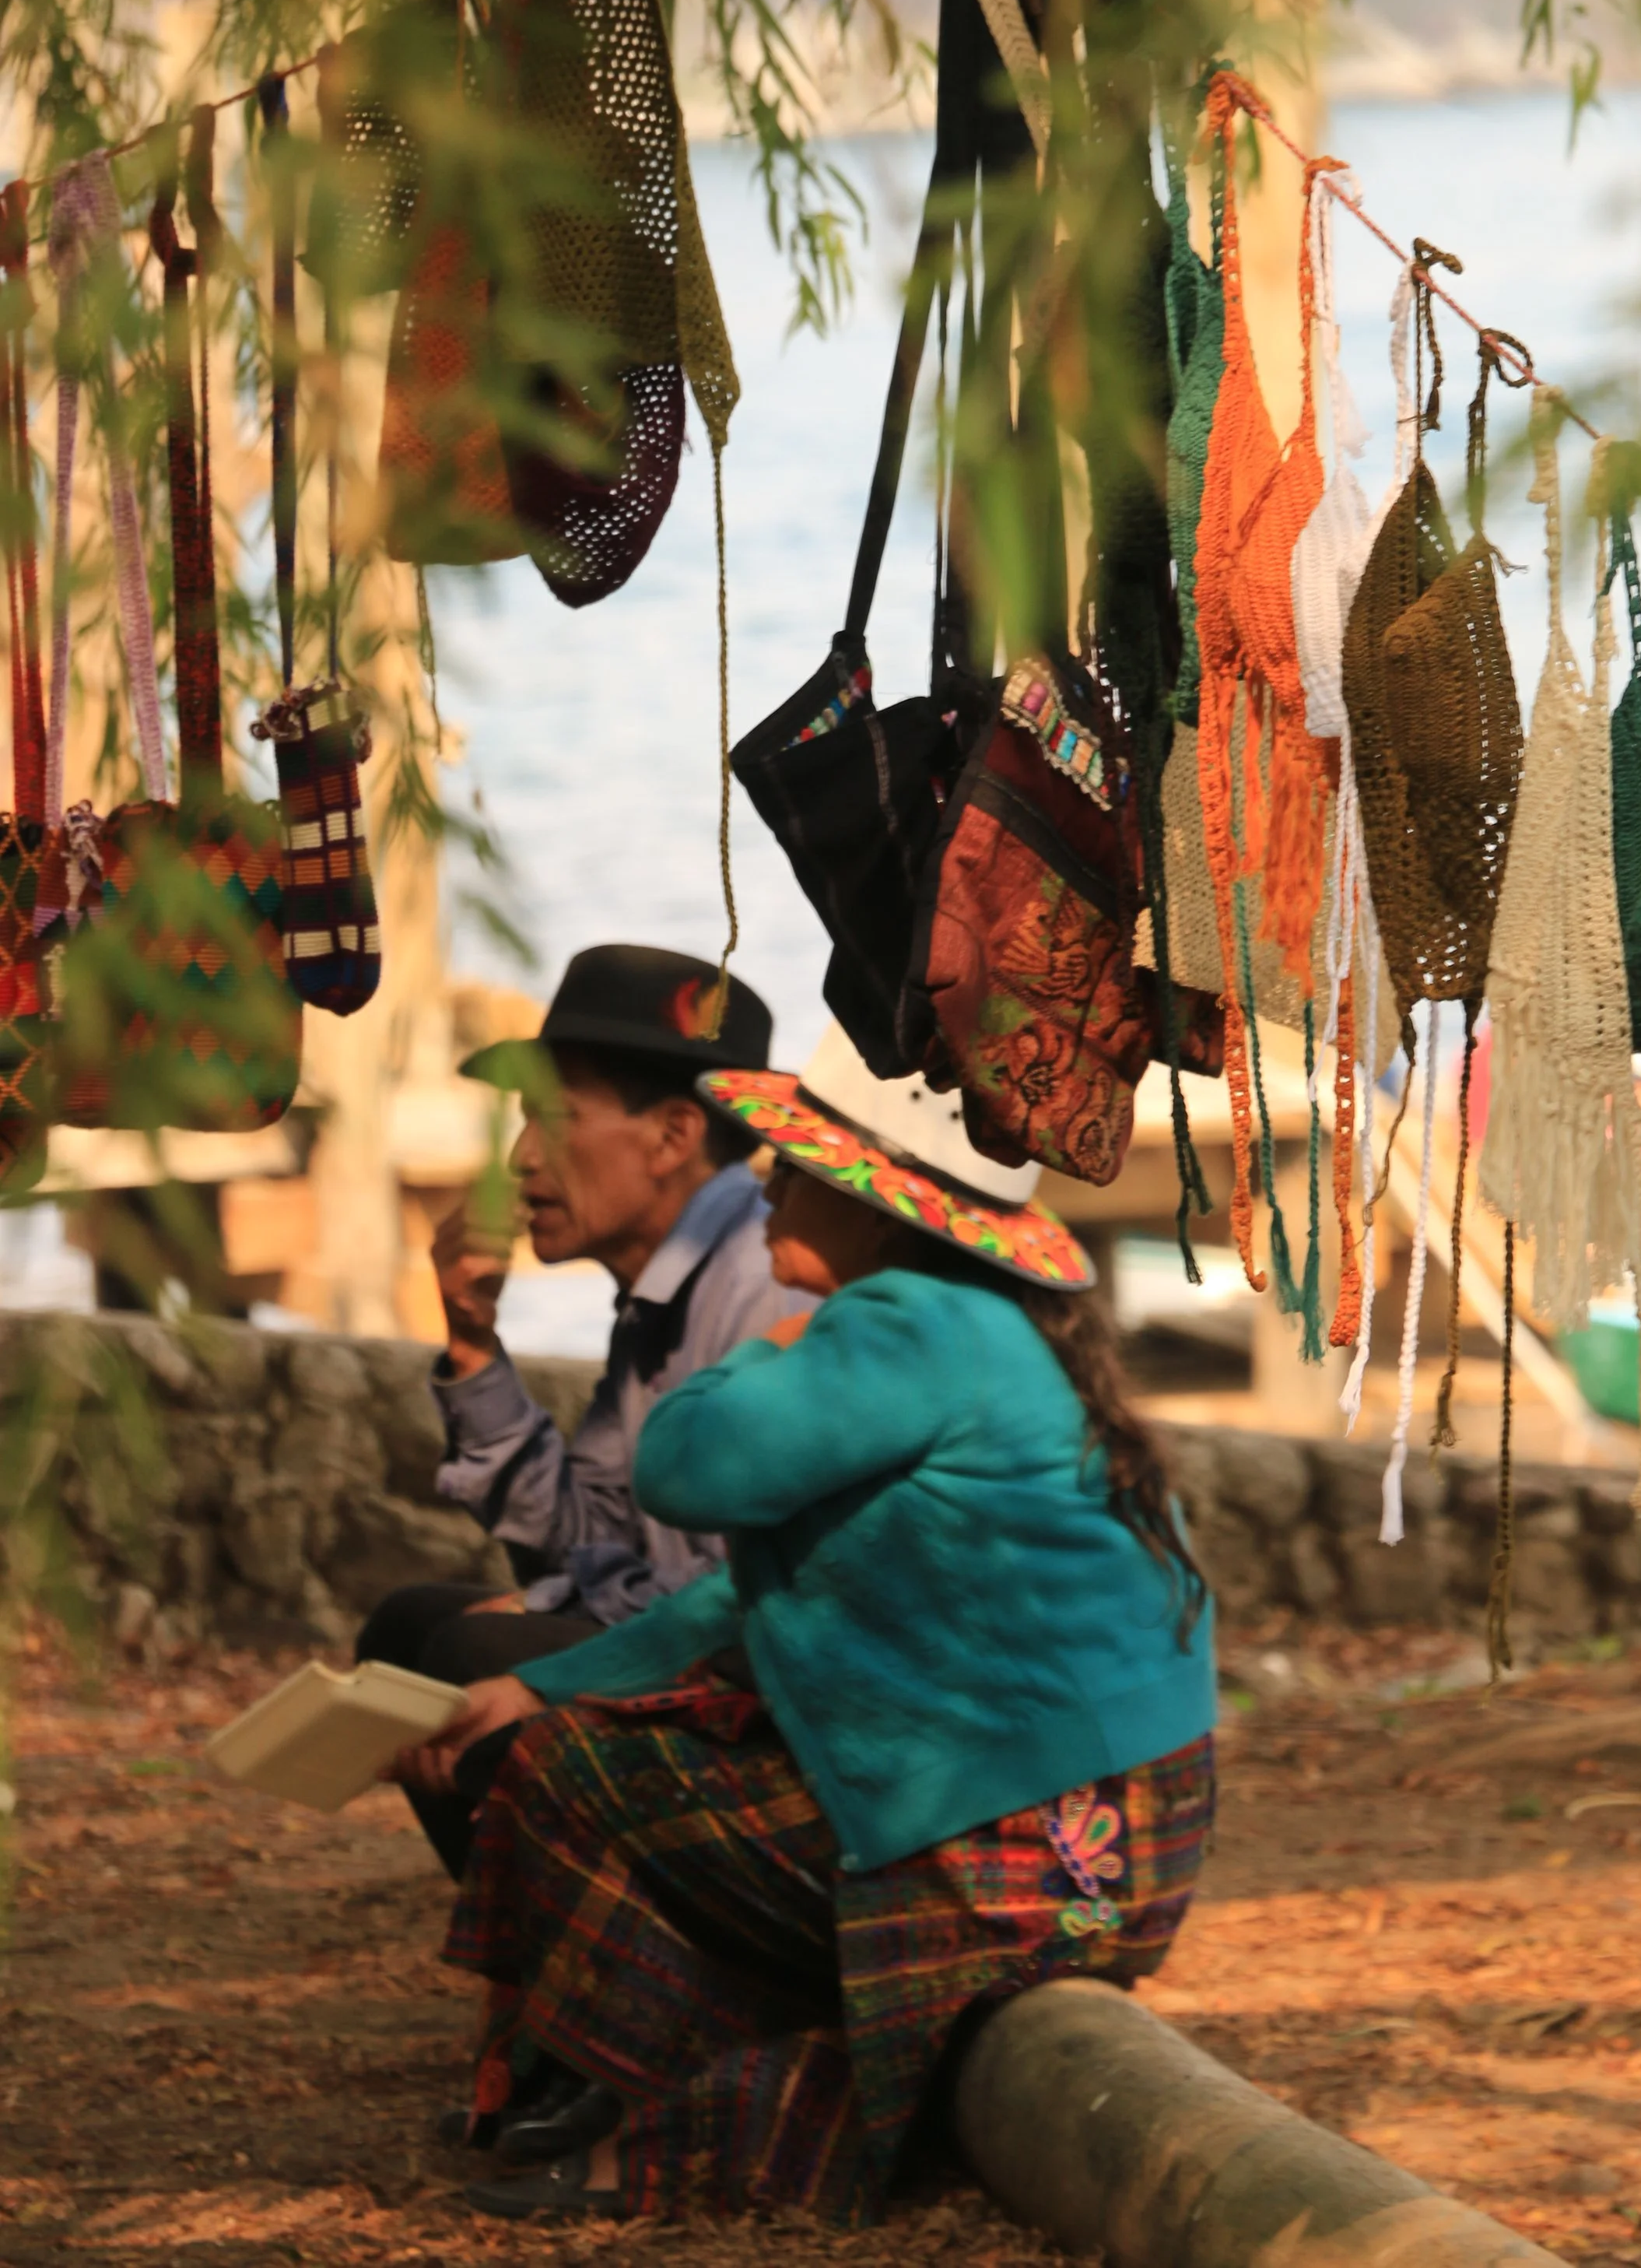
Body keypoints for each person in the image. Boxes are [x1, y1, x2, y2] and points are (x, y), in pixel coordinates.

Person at [405, 1022, 1218, 2224]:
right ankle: (603, 2090)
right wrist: (554, 1681)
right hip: (1098, 1826)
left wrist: (770, 1345)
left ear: (871, 1202)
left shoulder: (906, 1322)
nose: (767, 1181)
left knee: (581, 1781)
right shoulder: (957, 1324)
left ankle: (637, 2121)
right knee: (575, 1750)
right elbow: (745, 1587)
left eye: (795, 1164)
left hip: (1041, 1839)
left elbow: (684, 1465)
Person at [357, 945, 804, 1874]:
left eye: (554, 1121)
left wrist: (544, 1621)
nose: (521, 1159)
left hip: (786, 1687)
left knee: (472, 1647)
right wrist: (473, 1339)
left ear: (674, 1136)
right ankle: (553, 1943)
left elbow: (753, 1594)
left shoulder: (763, 1283)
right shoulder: (659, 1292)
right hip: (711, 1645)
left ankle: (635, 1955)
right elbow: (580, 1539)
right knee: (408, 1636)